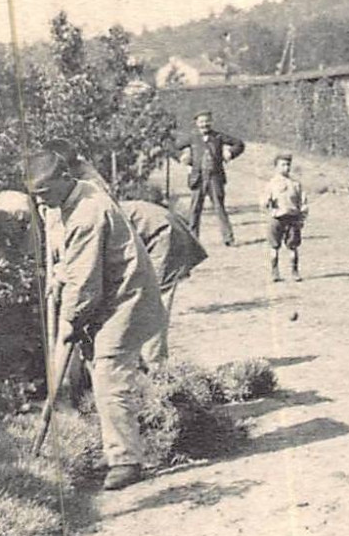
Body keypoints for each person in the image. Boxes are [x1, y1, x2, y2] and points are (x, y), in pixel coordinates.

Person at [25, 150, 167, 491]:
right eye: (35, 195)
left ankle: (125, 460)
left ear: (64, 177)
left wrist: (72, 323)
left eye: (44, 192)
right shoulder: (63, 203)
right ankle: (122, 437)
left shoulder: (89, 212)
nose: (40, 201)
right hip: (105, 294)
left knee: (107, 372)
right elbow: (66, 260)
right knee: (103, 370)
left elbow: (85, 284)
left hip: (124, 297)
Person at [121, 197, 208, 368]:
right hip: (155, 229)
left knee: (154, 300)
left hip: (162, 234)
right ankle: (145, 360)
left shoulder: (88, 223)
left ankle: (155, 365)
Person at [179, 110, 245, 246]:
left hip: (215, 177)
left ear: (211, 122)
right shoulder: (191, 137)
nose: (204, 124)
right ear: (196, 123)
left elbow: (239, 143)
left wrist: (230, 153)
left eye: (207, 121)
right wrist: (183, 157)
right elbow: (173, 147)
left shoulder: (218, 136)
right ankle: (193, 239)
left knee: (219, 207)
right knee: (195, 209)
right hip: (198, 178)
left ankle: (228, 239)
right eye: (201, 121)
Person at [264, 152, 314, 282]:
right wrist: (268, 204)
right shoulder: (271, 184)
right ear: (276, 167)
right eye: (283, 165)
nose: (286, 167)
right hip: (277, 218)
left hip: (292, 218)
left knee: (293, 245)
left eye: (288, 164)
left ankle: (294, 271)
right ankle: (275, 272)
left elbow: (303, 202)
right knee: (274, 246)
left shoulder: (295, 184)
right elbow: (264, 201)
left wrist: (302, 216)